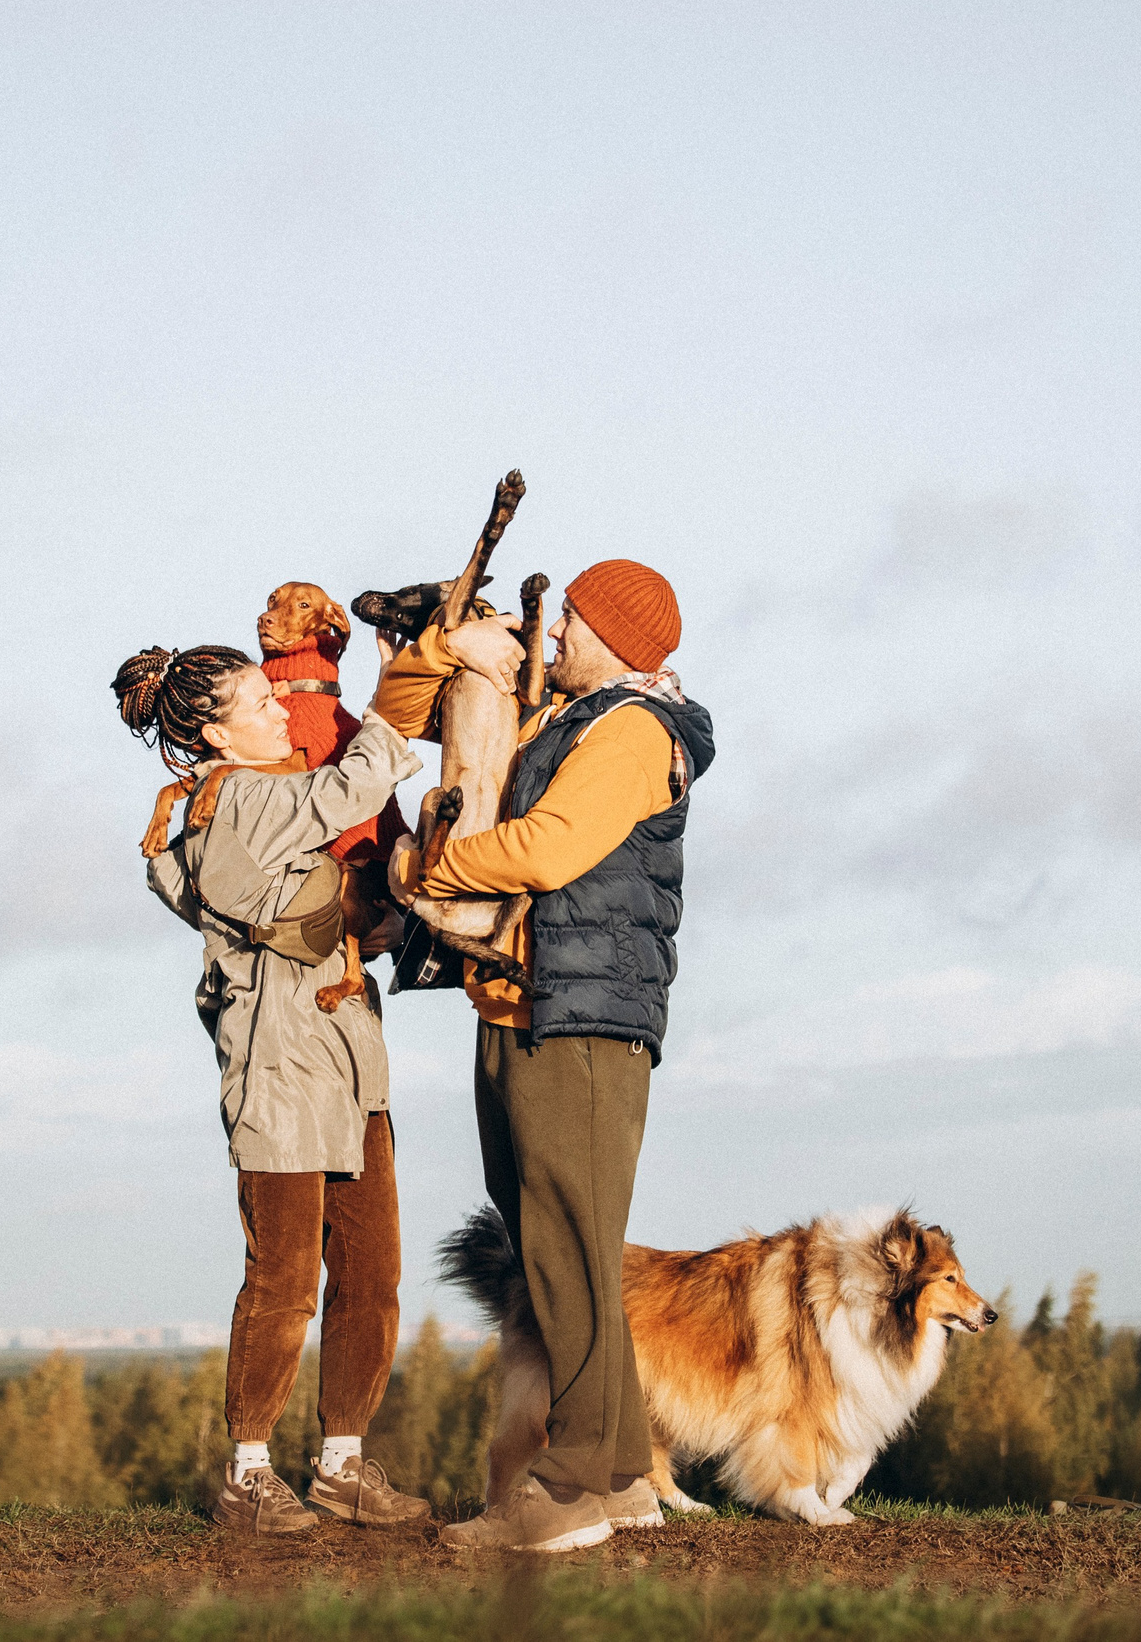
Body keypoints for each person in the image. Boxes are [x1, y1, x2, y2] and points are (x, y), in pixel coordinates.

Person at [370, 559, 714, 1552]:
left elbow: (550, 847)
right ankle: (620, 1475)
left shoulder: (631, 731)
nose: (552, 630)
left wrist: (432, 869)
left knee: (568, 1247)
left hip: (579, 1019)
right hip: (522, 1003)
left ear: (616, 637)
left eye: (571, 618)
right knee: (553, 1249)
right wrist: (449, 646)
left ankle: (569, 1490)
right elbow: (403, 716)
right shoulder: (559, 716)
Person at [114, 643, 432, 1535]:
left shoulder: (252, 795)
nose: (282, 712)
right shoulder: (243, 802)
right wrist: (398, 698)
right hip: (280, 1069)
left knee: (370, 1273)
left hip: (349, 1061)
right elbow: (350, 789)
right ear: (216, 733)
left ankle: (342, 1467)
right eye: (259, 702)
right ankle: (247, 1475)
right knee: (285, 1279)